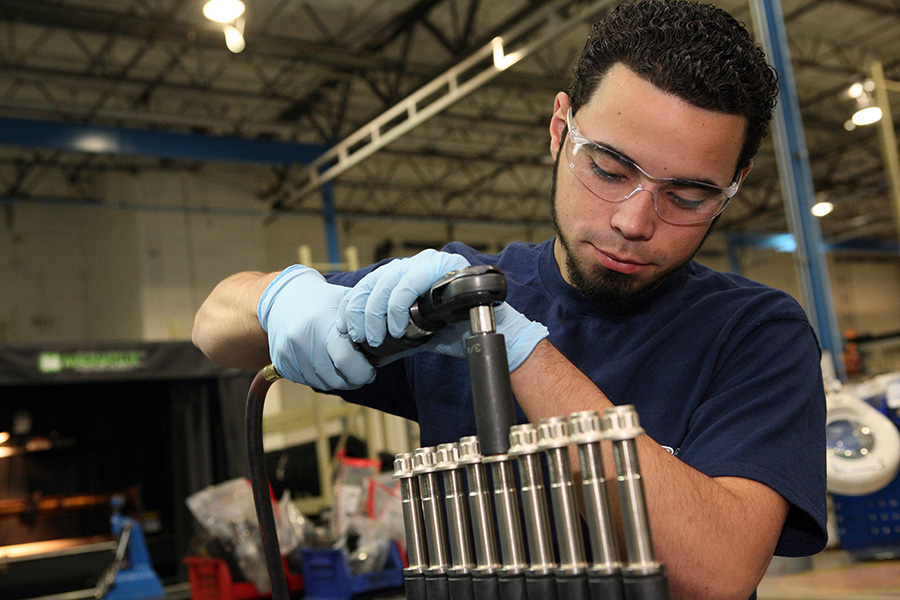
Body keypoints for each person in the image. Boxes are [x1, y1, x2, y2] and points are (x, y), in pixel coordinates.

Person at [192, 1, 827, 598]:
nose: (635, 221)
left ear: (734, 185)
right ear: (559, 130)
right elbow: (214, 323)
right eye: (609, 169)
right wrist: (286, 299)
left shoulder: (754, 333)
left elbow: (717, 574)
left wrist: (517, 350)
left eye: (689, 196)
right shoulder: (456, 290)